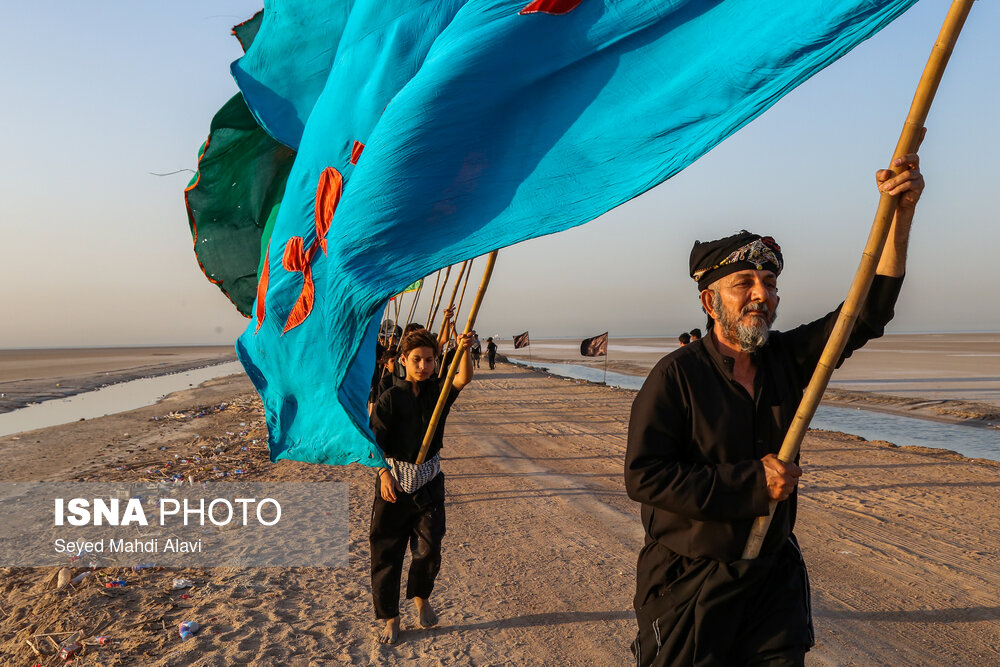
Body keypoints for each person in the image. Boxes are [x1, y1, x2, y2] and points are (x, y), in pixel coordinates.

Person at [624, 151, 924, 666]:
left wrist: (900, 217)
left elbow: (867, 313)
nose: (761, 295)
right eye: (744, 283)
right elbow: (645, 477)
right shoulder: (675, 377)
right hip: (691, 580)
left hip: (771, 576)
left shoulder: (786, 358)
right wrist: (751, 482)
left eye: (770, 284)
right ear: (709, 301)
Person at [369, 328, 475, 644]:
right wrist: (383, 475)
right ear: (404, 360)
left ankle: (421, 596)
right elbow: (374, 444)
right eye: (417, 359)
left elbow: (463, 379)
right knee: (387, 552)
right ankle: (391, 617)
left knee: (429, 548)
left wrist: (464, 349)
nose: (423, 366)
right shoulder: (390, 398)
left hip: (429, 482)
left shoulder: (438, 392)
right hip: (394, 483)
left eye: (429, 360)